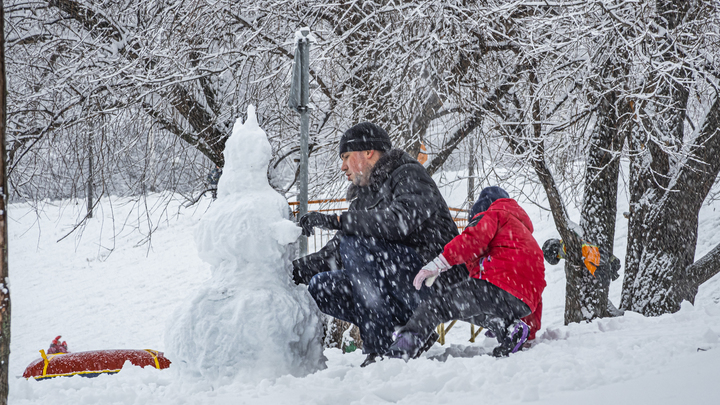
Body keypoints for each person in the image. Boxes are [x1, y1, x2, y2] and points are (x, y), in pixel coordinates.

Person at [293, 122, 464, 367]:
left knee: (356, 240)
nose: (342, 166)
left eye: (346, 156)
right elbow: (334, 254)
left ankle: (381, 348)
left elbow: (400, 222)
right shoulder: (363, 201)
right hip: (397, 286)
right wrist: (289, 272)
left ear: (368, 152)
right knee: (321, 285)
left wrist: (337, 220)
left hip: (432, 281)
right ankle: (407, 330)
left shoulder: (408, 174)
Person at [386, 186, 546, 359]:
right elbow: (532, 289)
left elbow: (473, 239)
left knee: (437, 305)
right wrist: (529, 333)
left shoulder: (493, 214)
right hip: (521, 302)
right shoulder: (524, 237)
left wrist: (439, 263)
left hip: (497, 285)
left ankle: (402, 349)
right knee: (468, 309)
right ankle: (508, 328)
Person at [542, 237, 621, 287]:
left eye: (559, 255)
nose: (562, 256)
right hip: (601, 258)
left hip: (599, 260)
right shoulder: (572, 241)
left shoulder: (566, 247)